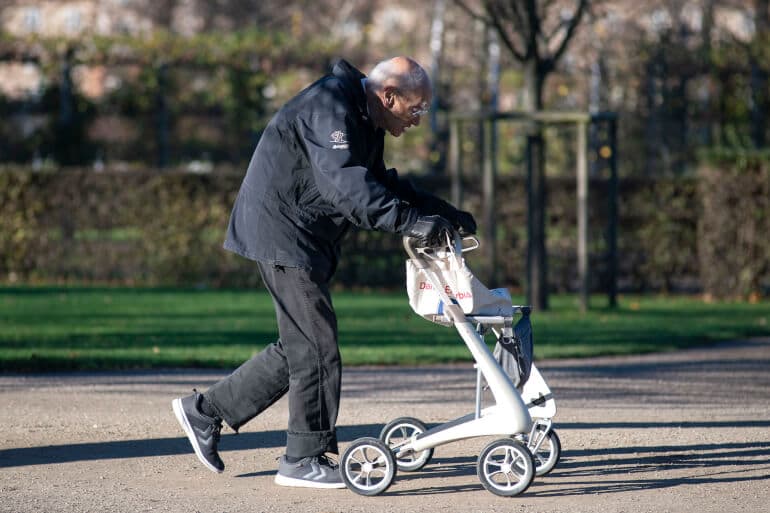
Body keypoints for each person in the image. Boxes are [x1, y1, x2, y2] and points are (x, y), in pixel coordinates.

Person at [172, 56, 476, 489]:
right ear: (388, 95)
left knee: (301, 344)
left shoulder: (361, 115)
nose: (417, 120)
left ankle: (206, 412)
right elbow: (346, 186)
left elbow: (375, 182)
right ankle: (303, 458)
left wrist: (438, 211)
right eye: (415, 109)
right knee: (316, 347)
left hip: (302, 236)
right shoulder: (329, 106)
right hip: (282, 232)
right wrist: (409, 221)